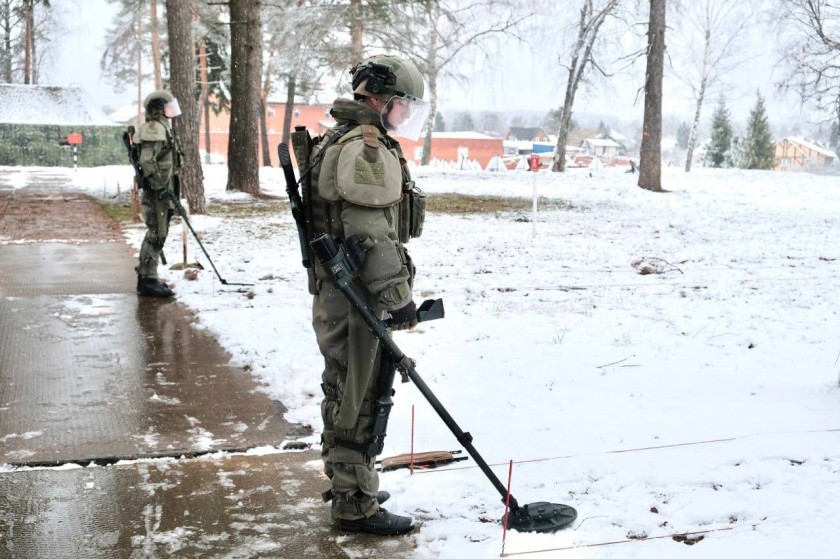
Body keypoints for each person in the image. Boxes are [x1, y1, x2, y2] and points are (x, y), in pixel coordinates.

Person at [296, 54, 429, 536]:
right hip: (356, 294)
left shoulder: (341, 137)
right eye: (403, 104)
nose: (405, 115)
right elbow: (370, 233)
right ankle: (355, 504)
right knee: (359, 396)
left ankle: (352, 480)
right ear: (380, 98)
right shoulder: (366, 147)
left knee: (345, 386)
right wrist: (398, 298)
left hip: (342, 289)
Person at [132, 89, 183, 297]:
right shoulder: (154, 129)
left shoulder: (162, 127)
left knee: (158, 232)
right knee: (156, 233)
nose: (172, 110)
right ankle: (147, 280)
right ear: (158, 109)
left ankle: (148, 276)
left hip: (163, 188)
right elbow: (147, 161)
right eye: (168, 106)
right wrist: (160, 187)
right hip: (157, 190)